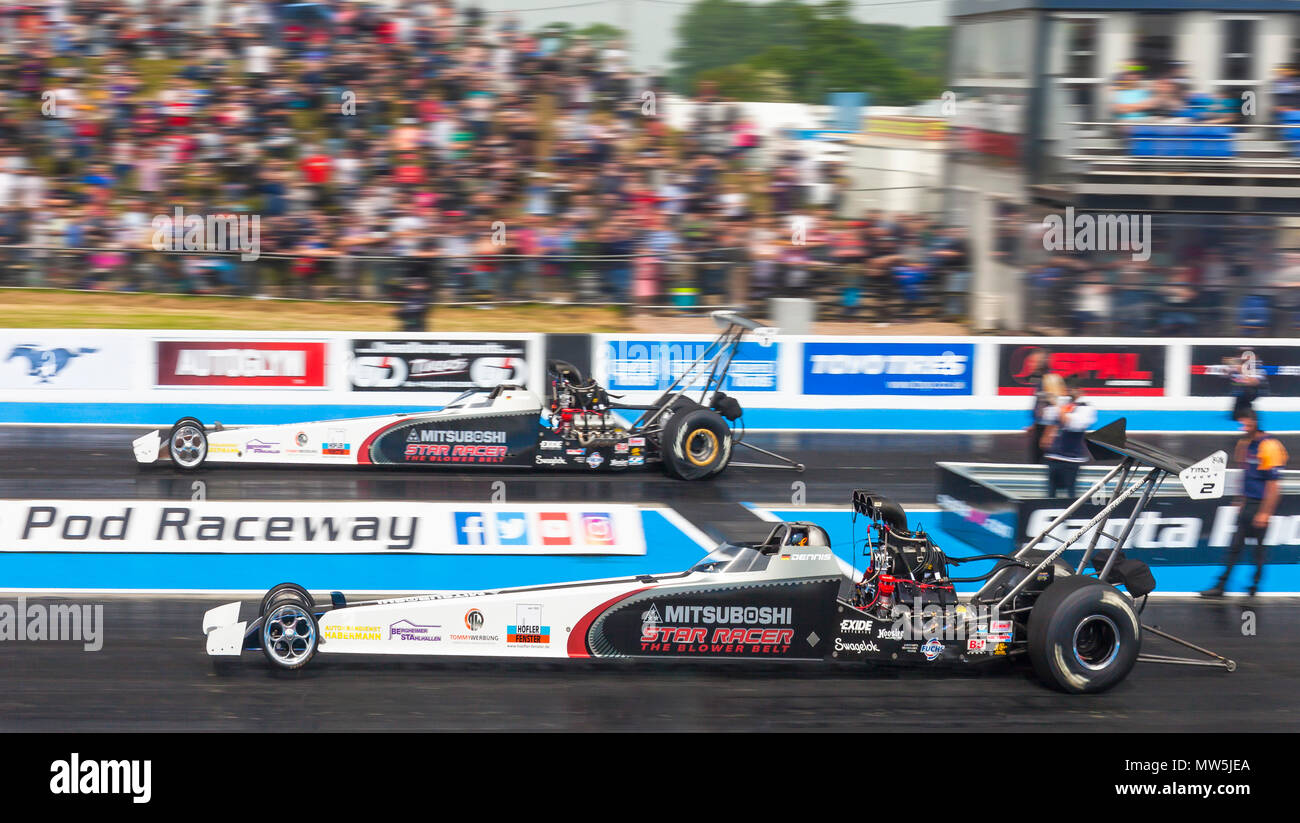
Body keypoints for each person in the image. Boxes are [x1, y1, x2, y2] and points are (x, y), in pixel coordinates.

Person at [1202, 409, 1287, 598]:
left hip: (1261, 504)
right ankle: (1221, 586)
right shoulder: (1245, 443)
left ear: (1255, 423)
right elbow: (1244, 473)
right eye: (1242, 424)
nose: (1243, 427)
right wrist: (1239, 499)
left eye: (1246, 424)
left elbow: (1273, 485)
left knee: (1258, 550)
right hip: (1248, 503)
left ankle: (1255, 585)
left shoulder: (1270, 446)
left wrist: (1265, 513)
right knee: (1235, 547)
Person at [1040, 380, 1097, 498]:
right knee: (1050, 495)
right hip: (1053, 456)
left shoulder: (1086, 409)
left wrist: (1057, 406)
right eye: (1068, 389)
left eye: (1072, 389)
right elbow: (1046, 418)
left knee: (1071, 495)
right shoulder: (1064, 404)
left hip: (1071, 459)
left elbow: (1073, 425)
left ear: (1080, 391)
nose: (1068, 392)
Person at [1030, 372, 1065, 464]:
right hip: (1041, 428)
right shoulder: (1045, 397)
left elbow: (1056, 420)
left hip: (1050, 432)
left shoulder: (1060, 400)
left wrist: (1047, 435)